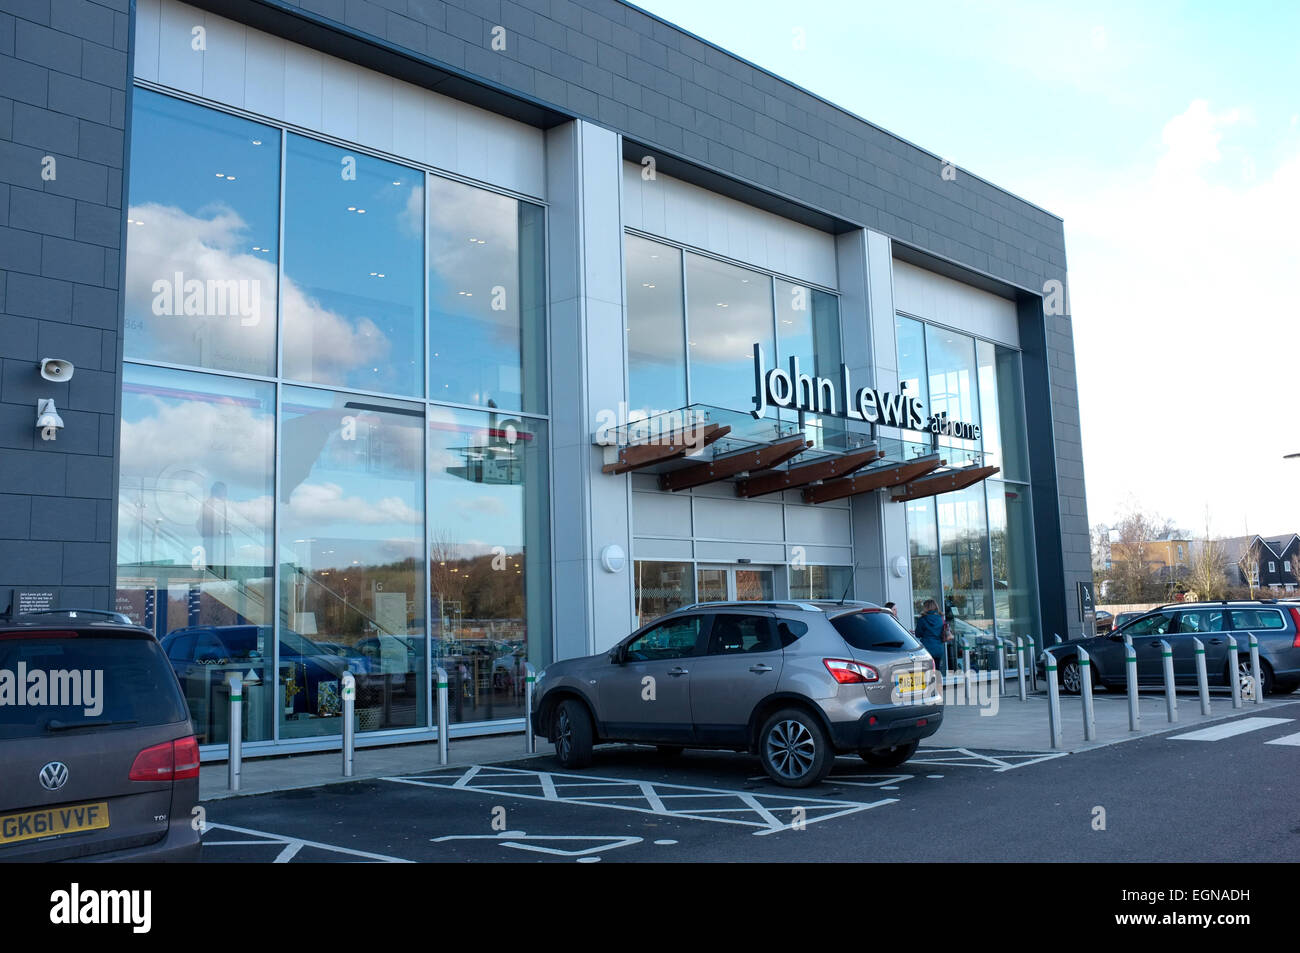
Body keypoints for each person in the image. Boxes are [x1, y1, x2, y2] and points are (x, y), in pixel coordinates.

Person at [914, 599, 947, 672]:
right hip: (938, 648)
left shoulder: (922, 619)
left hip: (926, 649)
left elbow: (917, 634)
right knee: (937, 671)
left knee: (926, 673)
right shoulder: (940, 619)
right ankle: (937, 683)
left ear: (926, 607)